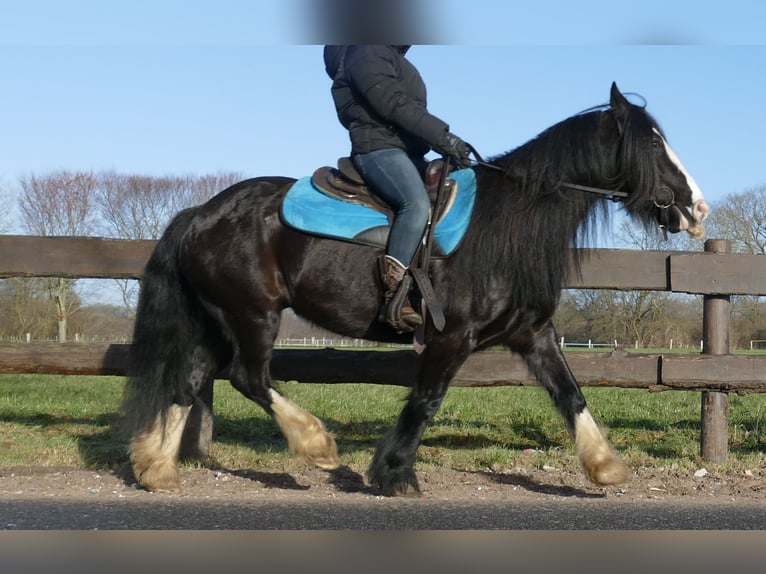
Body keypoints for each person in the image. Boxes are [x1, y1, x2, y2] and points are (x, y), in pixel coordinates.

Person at [323, 44, 472, 332]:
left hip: (408, 152)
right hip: (378, 149)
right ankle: (394, 293)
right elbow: (391, 102)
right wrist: (443, 138)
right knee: (415, 206)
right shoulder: (365, 52)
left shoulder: (389, 56)